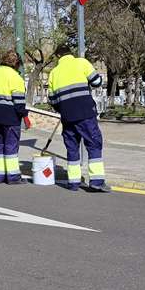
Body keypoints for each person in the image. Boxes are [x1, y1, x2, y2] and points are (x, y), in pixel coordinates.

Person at [48, 54, 109, 192]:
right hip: (85, 114)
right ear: (70, 54)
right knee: (94, 144)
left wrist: (63, 109)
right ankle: (97, 181)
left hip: (67, 116)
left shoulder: (53, 73)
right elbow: (97, 82)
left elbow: (52, 100)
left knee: (72, 147)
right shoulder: (81, 63)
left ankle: (73, 182)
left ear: (59, 57)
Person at [0, 50, 27, 184]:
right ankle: (13, 177)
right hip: (10, 118)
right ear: (17, 64)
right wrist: (24, 115)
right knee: (11, 147)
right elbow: (19, 103)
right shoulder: (15, 77)